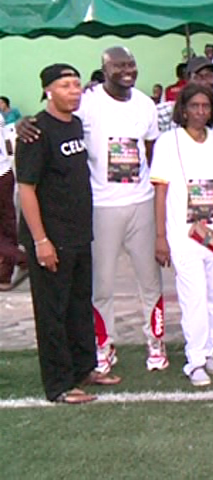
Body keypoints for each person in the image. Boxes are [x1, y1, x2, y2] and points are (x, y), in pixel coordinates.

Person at [18, 46, 169, 373]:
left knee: (150, 282)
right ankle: (104, 346)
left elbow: (150, 149)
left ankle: (155, 344)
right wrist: (24, 124)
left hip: (140, 202)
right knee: (101, 286)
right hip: (100, 207)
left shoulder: (145, 104)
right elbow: (53, 121)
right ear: (104, 69)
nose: (126, 70)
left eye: (131, 64)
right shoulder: (86, 101)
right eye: (118, 65)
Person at [19, 64, 121, 404]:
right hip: (51, 238)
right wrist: (40, 241)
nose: (74, 91)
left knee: (79, 305)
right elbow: (27, 189)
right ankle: (59, 385)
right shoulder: (35, 132)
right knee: (53, 312)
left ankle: (84, 368)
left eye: (77, 85)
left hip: (79, 234)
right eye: (65, 85)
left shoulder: (75, 124)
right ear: (49, 90)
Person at [150, 83, 213, 387]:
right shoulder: (167, 142)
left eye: (206, 106)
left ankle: (210, 349)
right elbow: (160, 192)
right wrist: (160, 237)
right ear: (182, 109)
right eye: (194, 106)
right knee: (193, 298)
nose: (200, 112)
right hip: (184, 235)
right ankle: (194, 359)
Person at [157, 57, 213, 133]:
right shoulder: (164, 113)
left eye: (209, 76)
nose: (204, 82)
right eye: (198, 77)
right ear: (187, 79)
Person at [0, 110, 26, 292]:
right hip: (4, 172)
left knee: (7, 226)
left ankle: (23, 259)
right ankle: (4, 276)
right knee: (7, 225)